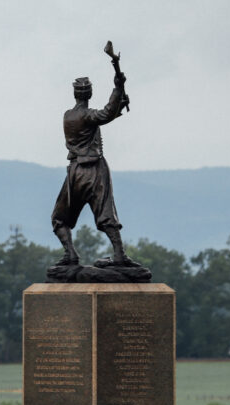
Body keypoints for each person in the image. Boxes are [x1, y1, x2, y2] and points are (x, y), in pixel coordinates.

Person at [51, 71, 136, 267]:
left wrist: (118, 104)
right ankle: (119, 254)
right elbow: (103, 114)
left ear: (75, 94)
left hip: (75, 172)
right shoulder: (88, 115)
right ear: (89, 94)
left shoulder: (68, 115)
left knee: (59, 218)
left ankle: (70, 253)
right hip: (94, 171)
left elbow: (103, 116)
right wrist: (117, 89)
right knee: (106, 213)